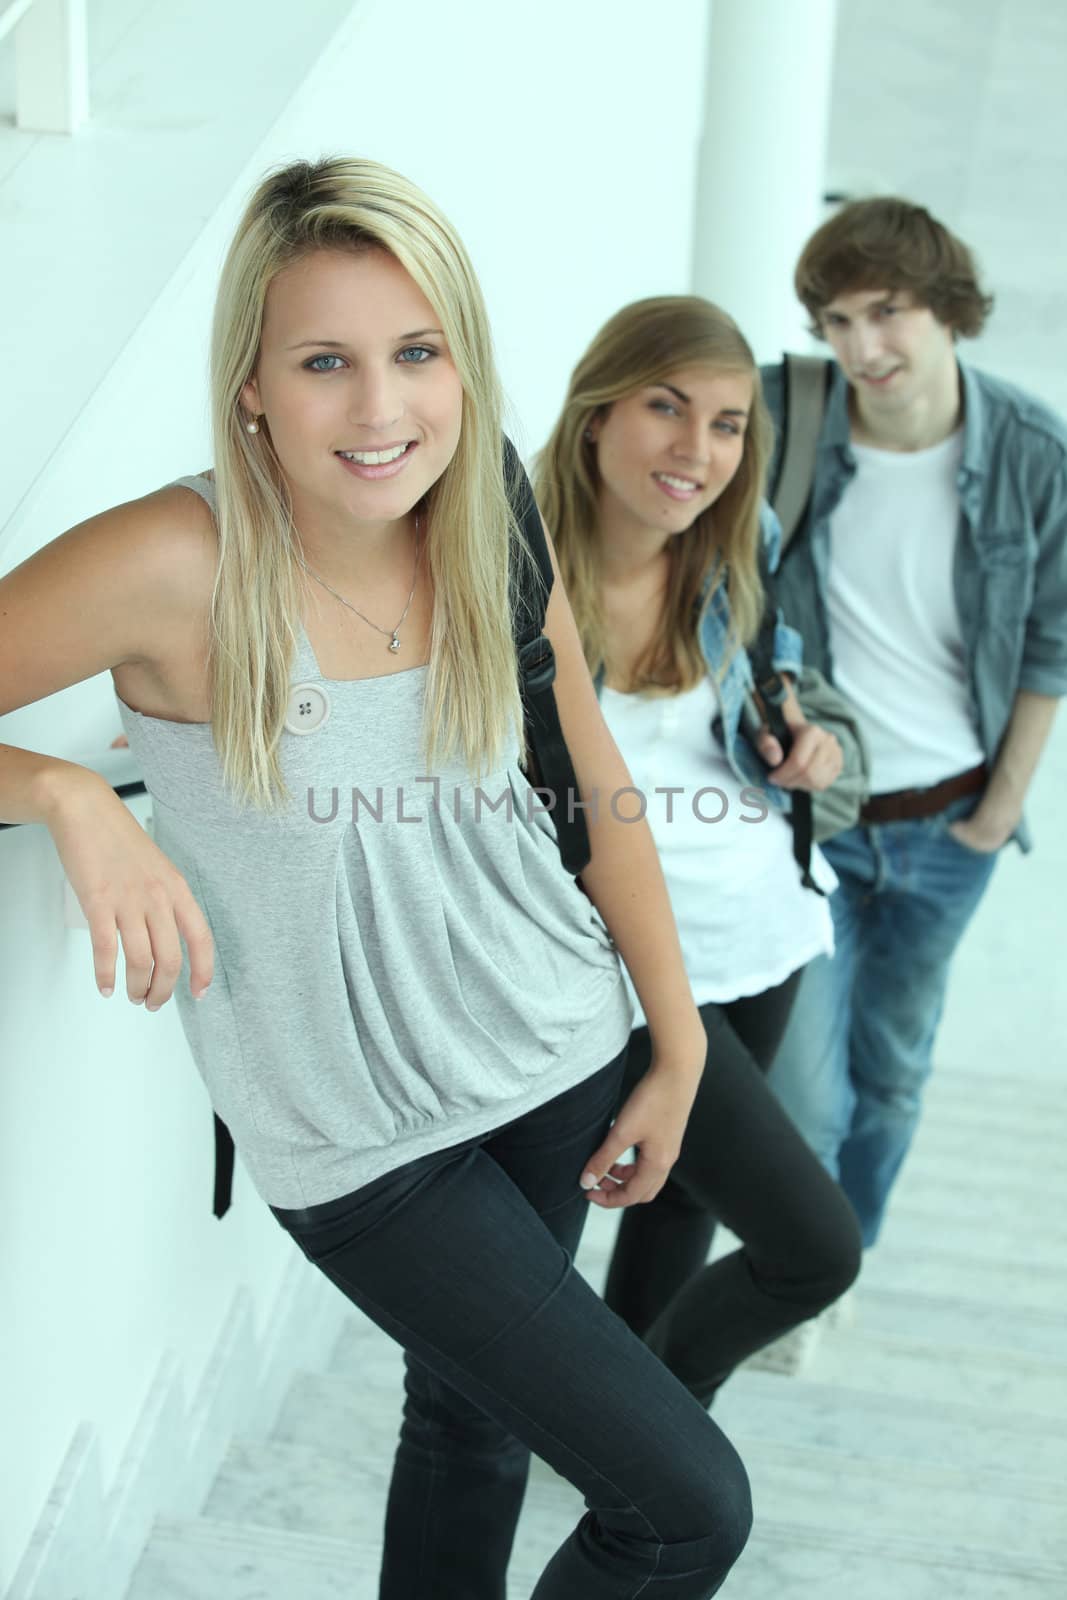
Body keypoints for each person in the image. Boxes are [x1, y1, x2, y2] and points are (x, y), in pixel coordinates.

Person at [0, 159, 755, 1598]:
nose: (379, 410)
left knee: (469, 1432)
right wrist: (61, 789)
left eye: (416, 355)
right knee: (683, 1506)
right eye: (325, 363)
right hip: (361, 1143)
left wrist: (676, 1042)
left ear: (463, 368)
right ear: (252, 388)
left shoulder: (486, 527)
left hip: (553, 1049)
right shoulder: (177, 562)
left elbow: (595, 797)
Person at [534, 295, 862, 1406]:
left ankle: (633, 1452)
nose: (697, 450)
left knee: (680, 1201)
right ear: (594, 414)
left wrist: (804, 747)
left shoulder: (737, 546)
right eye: (664, 408)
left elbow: (774, 697)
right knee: (813, 1251)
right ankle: (651, 1433)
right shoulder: (507, 574)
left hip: (757, 927)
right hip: (623, 969)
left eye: (726, 424)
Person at [763, 197, 1067, 1248]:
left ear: (944, 309)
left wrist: (999, 808)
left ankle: (836, 1263)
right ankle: (790, 1270)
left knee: (891, 1073)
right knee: (801, 1098)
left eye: (885, 312)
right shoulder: (780, 420)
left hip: (950, 830)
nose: (862, 346)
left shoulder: (1033, 451)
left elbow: (1050, 643)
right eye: (836, 321)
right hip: (812, 823)